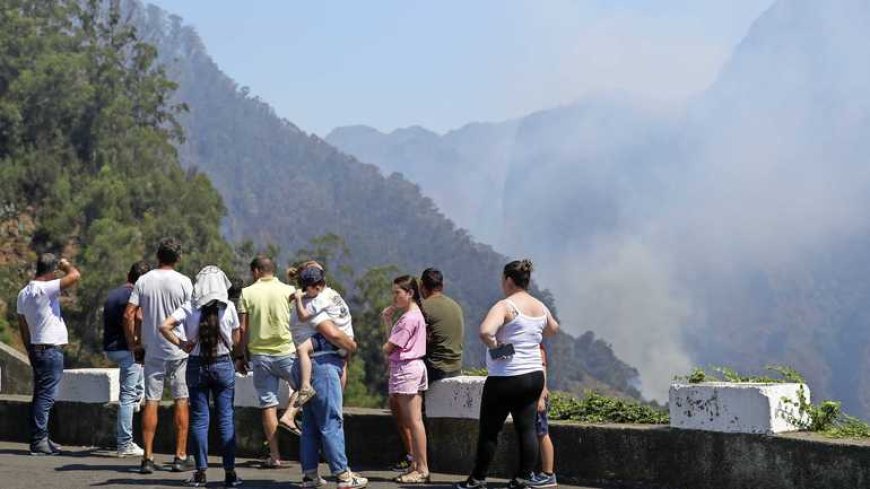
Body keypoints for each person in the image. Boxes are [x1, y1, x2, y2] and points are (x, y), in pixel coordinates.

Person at [455, 259, 559, 489]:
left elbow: (485, 331)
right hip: (533, 376)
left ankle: (477, 479)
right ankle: (522, 478)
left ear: (509, 280)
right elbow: (553, 329)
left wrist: (499, 348)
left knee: (490, 431)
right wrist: (531, 336)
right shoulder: (540, 306)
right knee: (527, 429)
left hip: (506, 376)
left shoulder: (505, 306)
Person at [159, 266, 243, 488]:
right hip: (223, 364)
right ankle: (230, 473)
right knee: (225, 418)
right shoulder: (230, 308)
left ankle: (200, 472)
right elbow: (236, 337)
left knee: (199, 419)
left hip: (196, 365)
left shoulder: (189, 307)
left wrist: (182, 344)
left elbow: (164, 326)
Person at [292, 262, 367, 489]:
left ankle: (310, 474)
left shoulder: (305, 302)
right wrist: (351, 346)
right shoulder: (314, 303)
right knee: (331, 421)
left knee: (311, 424)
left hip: (310, 365)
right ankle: (343, 475)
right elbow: (332, 332)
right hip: (322, 364)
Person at [123, 238, 195, 474]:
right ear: (178, 258)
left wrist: (134, 344)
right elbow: (192, 315)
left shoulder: (143, 280)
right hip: (178, 350)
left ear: (157, 256)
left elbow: (129, 314)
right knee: (181, 400)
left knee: (151, 401)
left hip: (151, 349)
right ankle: (180, 456)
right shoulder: (184, 282)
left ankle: (147, 457)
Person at [236, 255, 297, 468]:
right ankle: (290, 415)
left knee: (268, 404)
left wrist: (240, 355)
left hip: (260, 355)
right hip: (286, 351)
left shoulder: (246, 293)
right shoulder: (289, 292)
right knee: (306, 387)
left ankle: (275, 455)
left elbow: (243, 329)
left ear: (255, 272)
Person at [16, 254, 81, 456]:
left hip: (37, 348)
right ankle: (38, 442)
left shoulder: (23, 293)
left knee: (40, 395)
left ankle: (41, 437)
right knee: (46, 397)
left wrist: (30, 350)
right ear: (52, 272)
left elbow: (23, 327)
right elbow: (75, 275)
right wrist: (66, 265)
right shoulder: (46, 289)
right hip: (50, 350)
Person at [382, 275, 430, 483]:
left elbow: (388, 347)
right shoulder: (416, 314)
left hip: (406, 369)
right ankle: (417, 465)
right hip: (414, 367)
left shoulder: (408, 319)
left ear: (409, 293)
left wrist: (386, 322)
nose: (394, 297)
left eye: (397, 293)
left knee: (413, 421)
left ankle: (421, 468)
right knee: (414, 420)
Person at [103, 260, 150, 457]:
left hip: (110, 347)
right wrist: (135, 342)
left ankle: (135, 406)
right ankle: (125, 443)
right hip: (126, 349)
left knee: (137, 389)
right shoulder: (134, 296)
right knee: (127, 397)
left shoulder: (113, 294)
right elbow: (135, 318)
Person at [291, 265, 354, 407]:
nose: (305, 292)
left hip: (335, 338)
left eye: (306, 289)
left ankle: (306, 386)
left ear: (317, 287)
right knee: (343, 366)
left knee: (302, 349)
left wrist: (299, 300)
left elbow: (303, 316)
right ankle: (339, 399)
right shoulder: (331, 293)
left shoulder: (319, 300)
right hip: (347, 335)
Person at [420, 268, 464, 383]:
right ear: (442, 285)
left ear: (421, 286)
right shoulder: (455, 306)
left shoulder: (423, 308)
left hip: (435, 369)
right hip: (456, 368)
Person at [533, 344, 557, 488]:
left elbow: (542, 368)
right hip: (535, 392)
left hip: (538, 394)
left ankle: (548, 474)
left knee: (542, 433)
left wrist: (541, 395)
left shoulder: (537, 346)